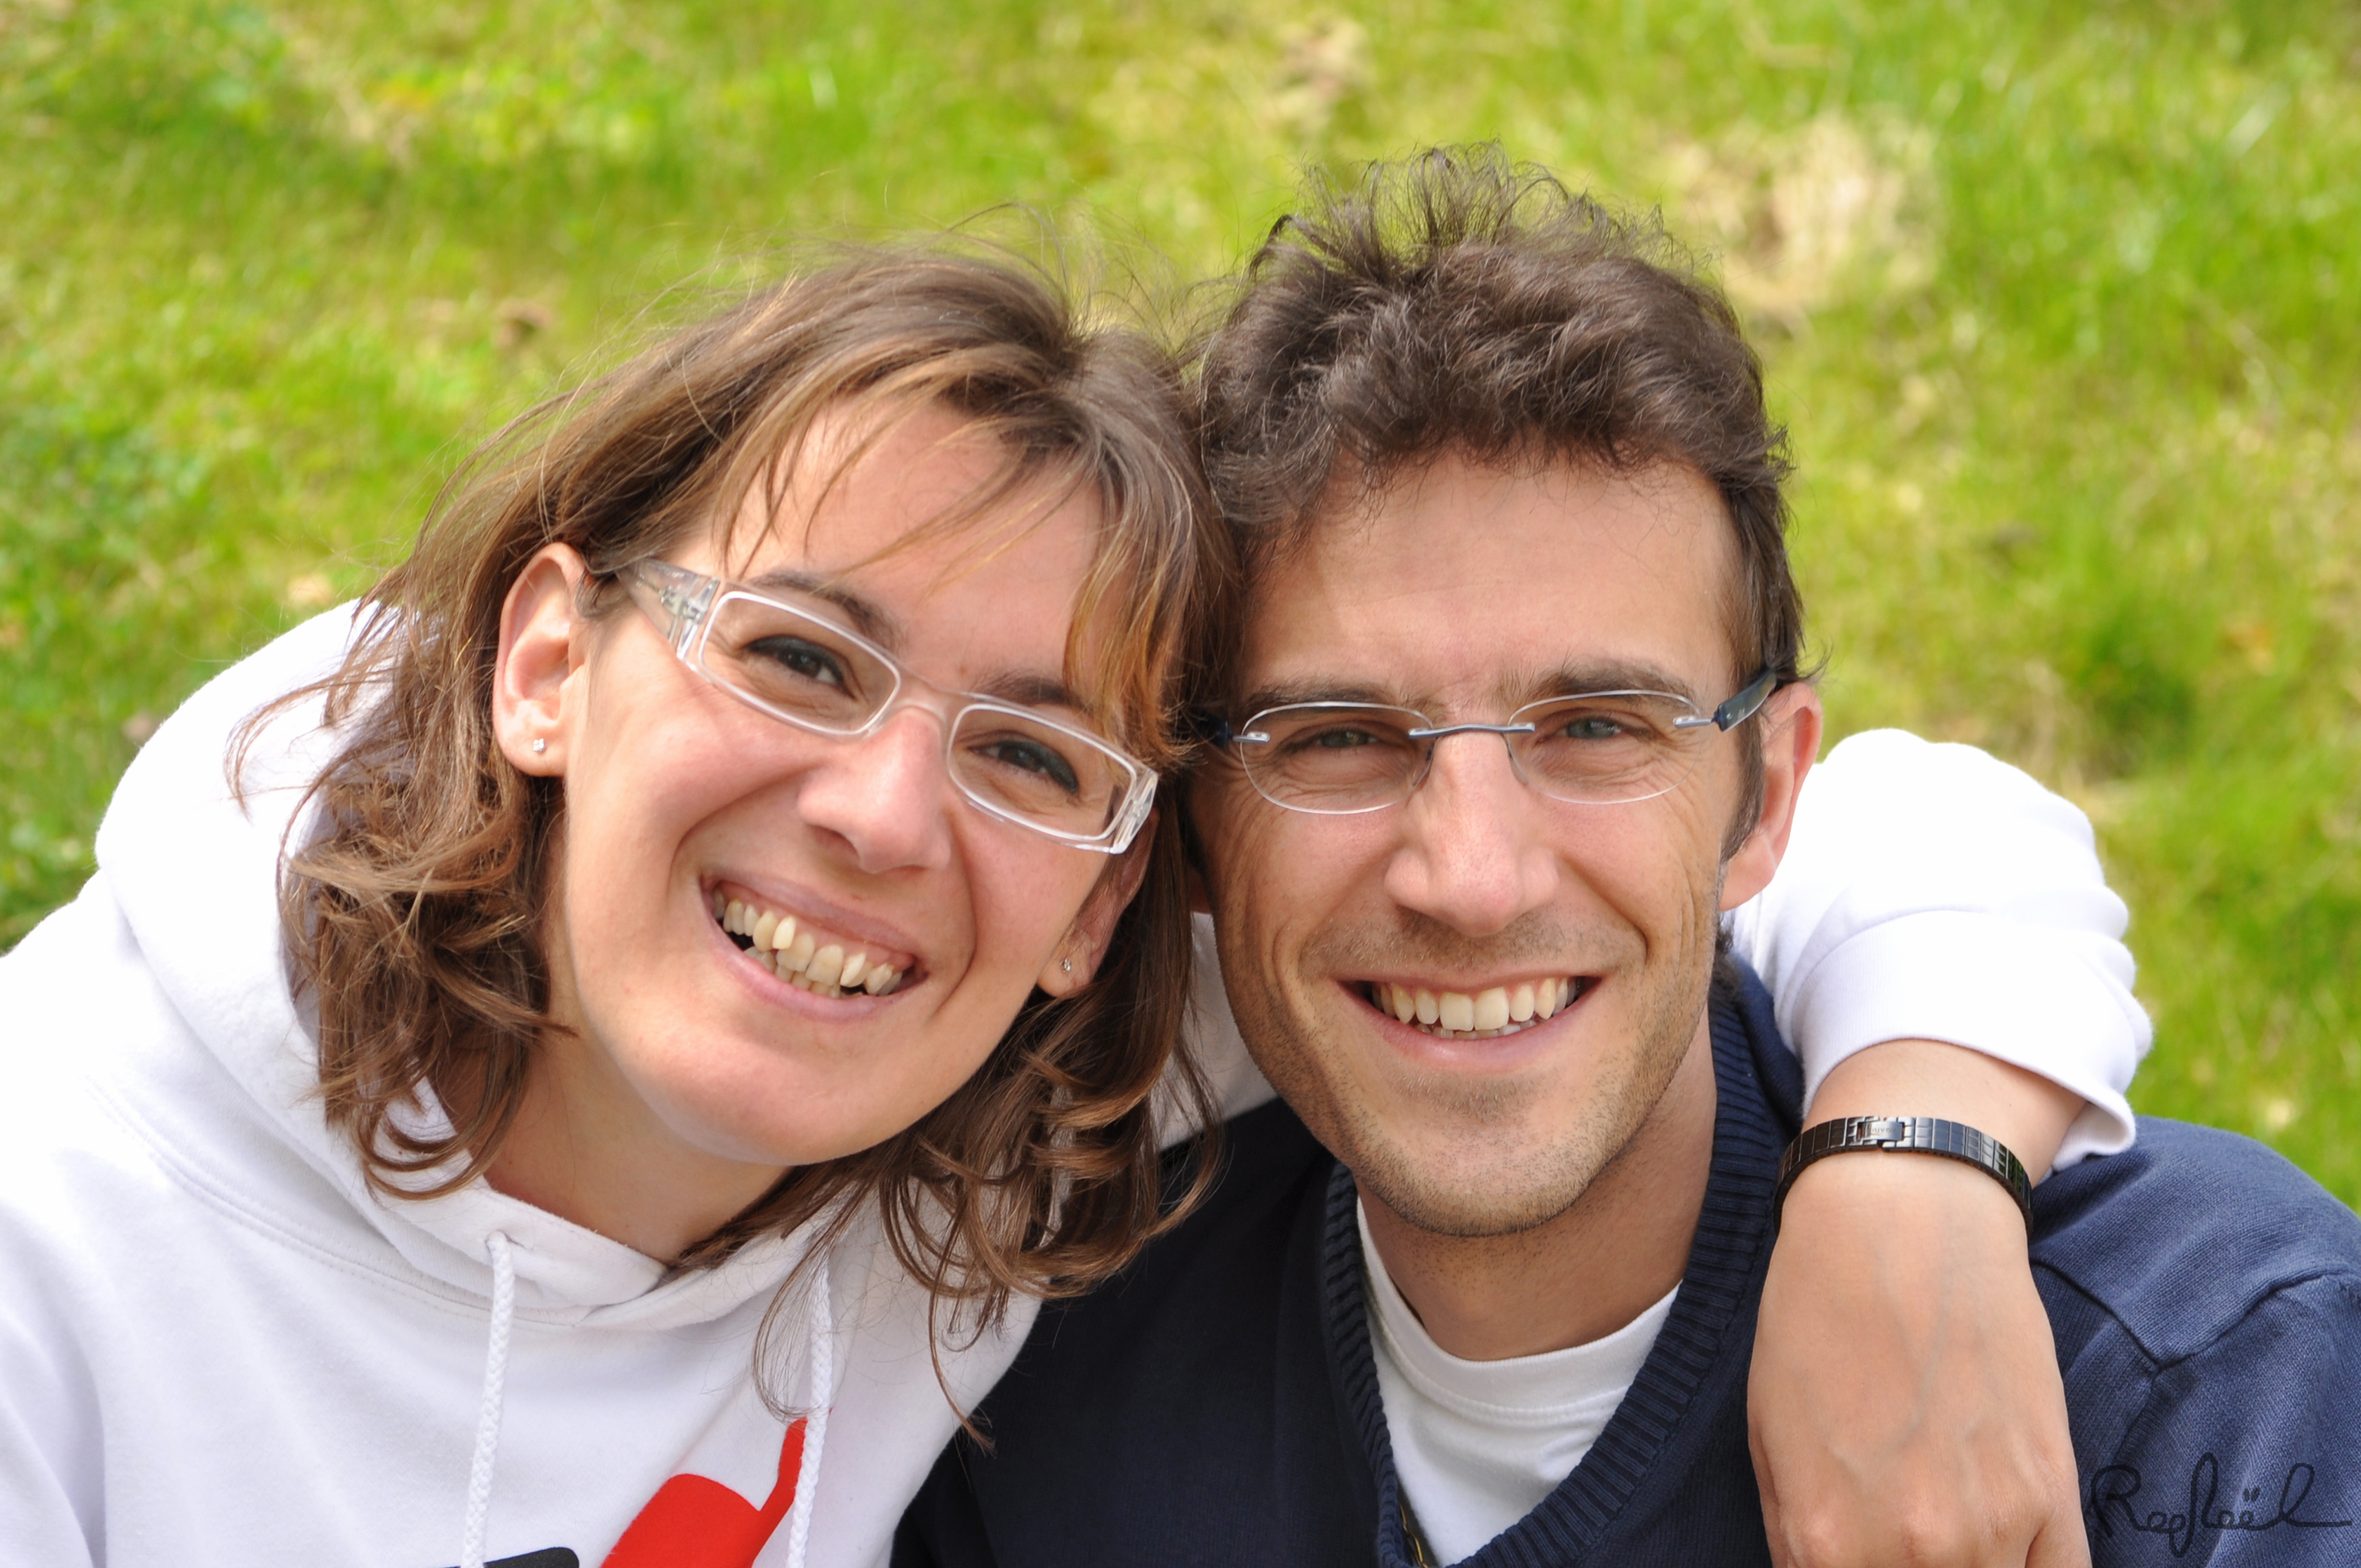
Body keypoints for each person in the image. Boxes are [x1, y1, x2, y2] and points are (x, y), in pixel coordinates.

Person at [1, 230, 2142, 1568]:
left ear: (1117, 899)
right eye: (800, 658)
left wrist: (1910, 1177)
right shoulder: (56, 1237)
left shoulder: (1012, 1102)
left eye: (1032, 752)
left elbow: (1833, 832)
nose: (880, 819)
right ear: (548, 660)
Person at [893, 153, 2361, 1568]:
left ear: (1765, 797)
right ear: (1195, 830)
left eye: (1596, 727)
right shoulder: (1034, 1398)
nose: (1471, 879)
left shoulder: (2214, 1394)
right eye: (1338, 737)